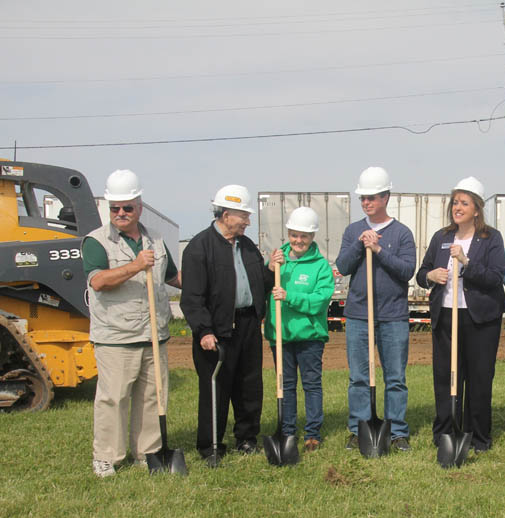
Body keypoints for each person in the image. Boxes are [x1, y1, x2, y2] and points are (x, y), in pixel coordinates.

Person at [83, 169, 181, 477]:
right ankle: (106, 457)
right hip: (116, 337)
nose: (121, 213)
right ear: (108, 208)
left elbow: (173, 278)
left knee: (152, 397)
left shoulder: (156, 240)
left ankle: (148, 453)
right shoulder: (96, 242)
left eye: (127, 207)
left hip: (153, 334)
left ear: (139, 206)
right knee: (114, 398)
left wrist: (211, 291)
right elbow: (98, 281)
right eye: (115, 208)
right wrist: (135, 265)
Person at [180, 184, 275, 459]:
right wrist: (203, 330)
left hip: (248, 326)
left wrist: (270, 271)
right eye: (243, 215)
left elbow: (258, 283)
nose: (247, 221)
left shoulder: (247, 246)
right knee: (216, 389)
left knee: (249, 386)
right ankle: (210, 446)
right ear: (224, 214)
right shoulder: (199, 248)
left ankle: (246, 438)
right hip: (217, 330)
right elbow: (192, 297)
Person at [415, 177, 505, 453]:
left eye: (464, 203)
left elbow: (495, 276)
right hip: (446, 315)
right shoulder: (441, 237)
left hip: (480, 319)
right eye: (455, 202)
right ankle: (445, 431)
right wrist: (431, 275)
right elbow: (422, 274)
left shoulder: (490, 238)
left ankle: (477, 436)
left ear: (476, 209)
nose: (458, 207)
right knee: (445, 375)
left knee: (479, 377)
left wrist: (466, 263)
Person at [335, 167, 416, 451]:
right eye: (362, 198)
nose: (366, 203)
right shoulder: (353, 230)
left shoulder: (402, 233)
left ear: (386, 197)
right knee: (358, 377)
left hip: (393, 316)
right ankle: (359, 429)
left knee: (395, 377)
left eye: (371, 197)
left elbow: (407, 271)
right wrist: (361, 245)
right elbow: (343, 266)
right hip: (358, 314)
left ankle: (397, 432)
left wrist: (379, 251)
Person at [264, 207, 335, 452]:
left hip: (309, 336)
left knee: (312, 384)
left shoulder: (320, 266)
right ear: (288, 234)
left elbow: (320, 300)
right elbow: (263, 288)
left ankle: (313, 433)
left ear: (312, 237)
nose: (298, 241)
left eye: (304, 236)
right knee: (286, 384)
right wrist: (271, 270)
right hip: (281, 335)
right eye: (294, 235)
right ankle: (287, 430)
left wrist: (290, 296)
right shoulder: (277, 260)